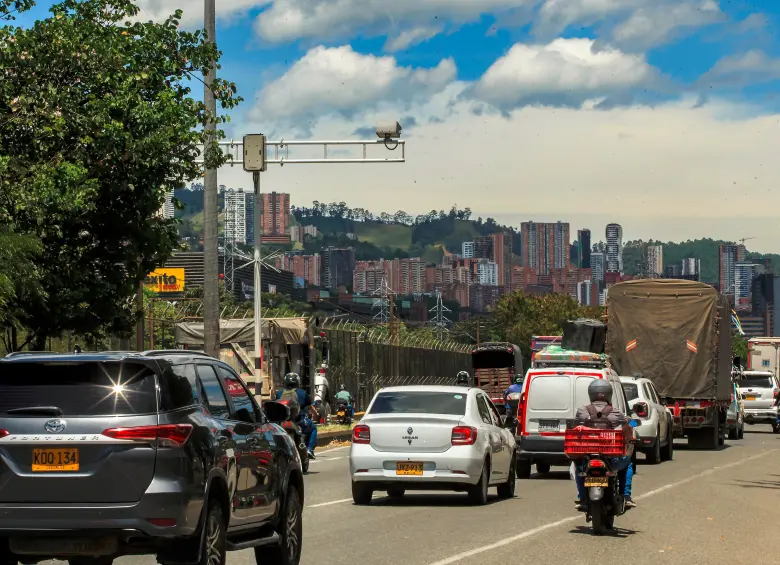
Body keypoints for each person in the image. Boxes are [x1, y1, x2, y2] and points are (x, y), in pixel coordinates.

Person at [573, 379, 636, 511]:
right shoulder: (616, 412)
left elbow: (575, 427)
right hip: (610, 456)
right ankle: (626, 496)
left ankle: (582, 497)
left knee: (579, 468)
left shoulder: (581, 411)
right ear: (609, 394)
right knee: (628, 463)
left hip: (587, 455)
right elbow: (628, 427)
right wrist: (631, 433)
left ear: (591, 393)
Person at [275, 372, 318, 459]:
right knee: (313, 428)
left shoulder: (279, 393)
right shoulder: (303, 393)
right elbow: (311, 408)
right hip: (299, 421)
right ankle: (310, 449)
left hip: (281, 422)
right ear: (297, 382)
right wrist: (316, 414)